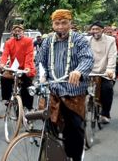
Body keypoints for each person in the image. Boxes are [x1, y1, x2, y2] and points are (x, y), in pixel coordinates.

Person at [36, 9, 94, 161]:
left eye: (64, 23)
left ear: (70, 23)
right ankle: (53, 155)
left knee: (74, 128)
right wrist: (41, 75)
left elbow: (87, 58)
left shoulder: (79, 40)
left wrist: (79, 71)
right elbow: (40, 60)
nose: (60, 27)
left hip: (74, 91)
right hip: (53, 90)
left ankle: (74, 157)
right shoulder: (48, 41)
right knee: (46, 124)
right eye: (57, 23)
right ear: (53, 25)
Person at [0, 24, 36, 111]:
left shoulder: (28, 41)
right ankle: (7, 98)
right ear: (12, 32)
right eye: (15, 31)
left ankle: (29, 107)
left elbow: (29, 54)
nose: (17, 33)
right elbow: (5, 54)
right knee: (4, 78)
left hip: (26, 68)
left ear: (23, 32)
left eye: (19, 31)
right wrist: (2, 64)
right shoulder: (9, 42)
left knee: (27, 86)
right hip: (14, 68)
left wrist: (27, 67)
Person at [87, 21, 117, 124]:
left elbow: (112, 56)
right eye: (93, 29)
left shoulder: (110, 40)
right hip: (89, 71)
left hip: (105, 71)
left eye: (97, 29)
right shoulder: (87, 40)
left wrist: (110, 69)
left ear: (102, 30)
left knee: (107, 89)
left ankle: (105, 114)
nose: (95, 31)